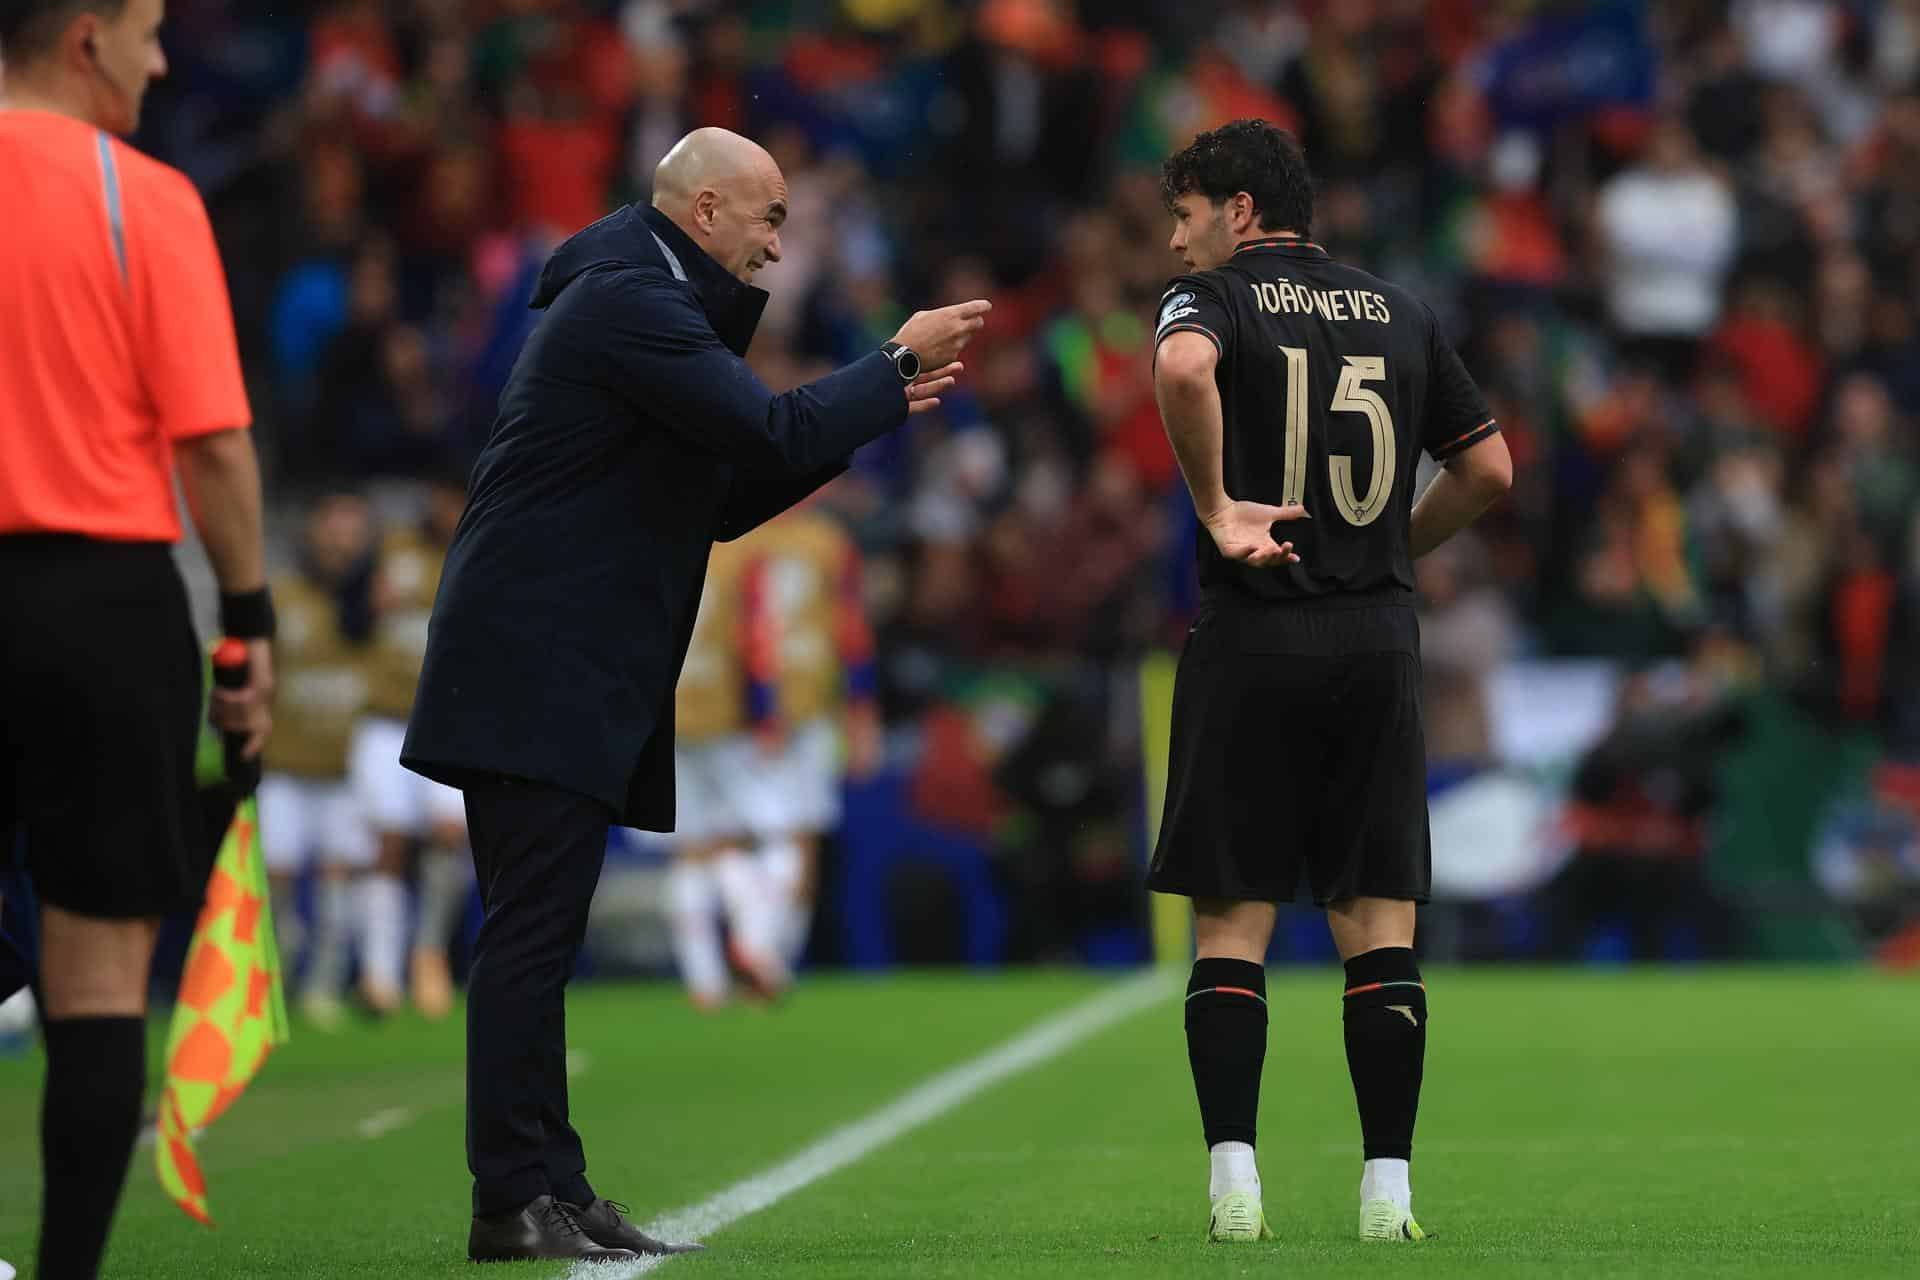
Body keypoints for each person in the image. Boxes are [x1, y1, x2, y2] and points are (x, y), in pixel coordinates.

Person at [400, 127, 989, 1263]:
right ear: (706, 209)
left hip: (549, 660)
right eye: (770, 217)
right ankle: (508, 1198)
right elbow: (767, 429)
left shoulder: (628, 298)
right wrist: (893, 363)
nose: (779, 245)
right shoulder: (630, 303)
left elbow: (724, 489)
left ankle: (552, 1186)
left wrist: (872, 404)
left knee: (539, 935)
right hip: (535, 663)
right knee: (528, 938)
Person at [1146, 120, 1512, 1244]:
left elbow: (1181, 367)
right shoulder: (1400, 309)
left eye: (1187, 214)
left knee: (1233, 924)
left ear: (1241, 213)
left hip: (1256, 632)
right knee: (1378, 925)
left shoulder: (1214, 300)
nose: (1174, 241)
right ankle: (1388, 1194)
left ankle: (1235, 1186)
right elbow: (1490, 467)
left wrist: (1215, 507)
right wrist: (1394, 545)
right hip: (1374, 643)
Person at [0, 2, 275, 1276]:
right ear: (85, 39)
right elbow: (213, 447)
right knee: (99, 977)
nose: (164, 61)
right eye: (150, 31)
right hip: (102, 605)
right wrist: (248, 621)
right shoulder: (143, 196)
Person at [351, 470, 472, 1019]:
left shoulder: (480, 545)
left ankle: (428, 953)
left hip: (448, 713)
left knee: (449, 837)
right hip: (383, 719)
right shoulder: (392, 547)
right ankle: (379, 975)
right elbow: (347, 618)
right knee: (389, 844)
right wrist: (364, 598)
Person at [258, 490, 375, 1031]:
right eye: (334, 530)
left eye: (352, 533)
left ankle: (324, 984)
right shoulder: (283, 598)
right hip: (284, 767)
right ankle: (274, 975)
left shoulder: (376, 604)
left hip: (344, 770)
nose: (341, 543)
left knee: (339, 880)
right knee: (277, 878)